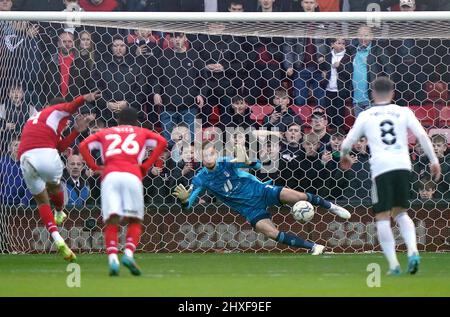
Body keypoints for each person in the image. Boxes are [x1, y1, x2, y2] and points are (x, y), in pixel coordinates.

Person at [173, 141, 351, 255]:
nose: (209, 157)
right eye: (205, 155)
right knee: (271, 233)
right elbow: (188, 205)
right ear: (201, 158)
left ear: (216, 154)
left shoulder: (226, 162)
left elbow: (258, 165)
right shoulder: (200, 179)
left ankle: (332, 207)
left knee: (297, 196)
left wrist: (248, 161)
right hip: (249, 209)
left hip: (260, 190)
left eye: (211, 153)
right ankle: (313, 247)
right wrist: (183, 200)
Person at [340, 77, 441, 275]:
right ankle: (413, 252)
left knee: (383, 217)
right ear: (393, 93)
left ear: (372, 94)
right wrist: (434, 160)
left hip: (381, 168)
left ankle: (394, 265)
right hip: (404, 165)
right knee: (401, 212)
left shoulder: (367, 115)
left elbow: (346, 143)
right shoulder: (403, 111)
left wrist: (344, 157)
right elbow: (422, 135)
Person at [79, 107, 167, 276]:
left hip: (110, 176)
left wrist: (95, 167)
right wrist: (146, 167)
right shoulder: (140, 132)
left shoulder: (106, 132)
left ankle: (113, 259)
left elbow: (83, 145)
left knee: (112, 220)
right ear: (136, 121)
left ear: (118, 121)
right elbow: (162, 142)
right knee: (134, 221)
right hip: (132, 174)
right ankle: (128, 254)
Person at [17, 91, 100, 262]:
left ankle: (57, 238)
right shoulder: (54, 111)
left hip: (25, 157)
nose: (67, 121)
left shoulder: (35, 121)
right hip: (45, 154)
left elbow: (59, 145)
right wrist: (84, 98)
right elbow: (70, 107)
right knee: (55, 186)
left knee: (41, 200)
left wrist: (76, 131)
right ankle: (60, 211)